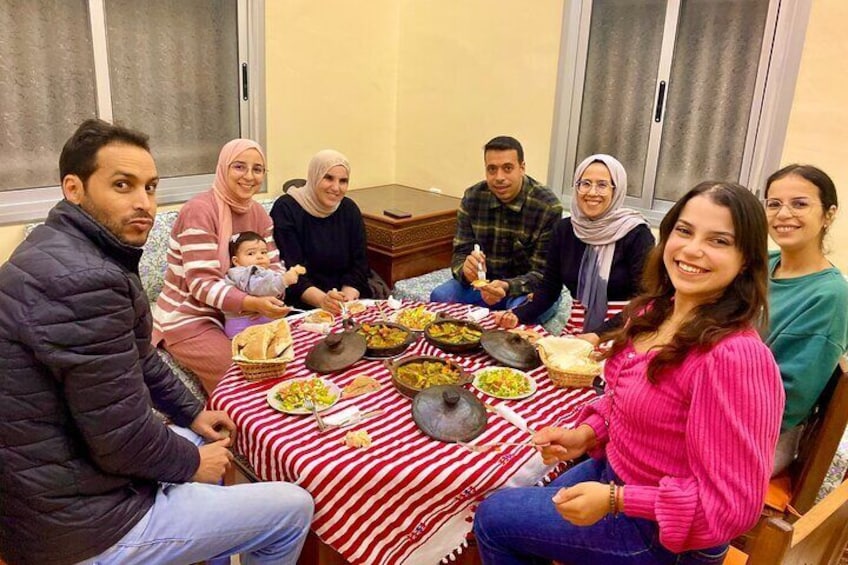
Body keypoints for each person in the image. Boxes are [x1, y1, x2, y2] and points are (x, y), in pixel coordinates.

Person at [0, 119, 313, 565]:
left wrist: (192, 413)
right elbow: (121, 439)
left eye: (149, 187)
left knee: (200, 441)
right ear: (74, 187)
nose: (143, 203)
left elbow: (140, 357)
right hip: (82, 527)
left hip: (59, 486)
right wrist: (190, 464)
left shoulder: (71, 250)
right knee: (293, 507)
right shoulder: (83, 279)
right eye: (123, 185)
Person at [473, 182, 784, 564]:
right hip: (615, 474)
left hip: (664, 534)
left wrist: (618, 500)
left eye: (719, 241)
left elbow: (732, 508)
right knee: (506, 496)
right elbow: (624, 399)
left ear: (747, 261)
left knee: (493, 520)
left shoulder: (735, 358)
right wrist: (586, 434)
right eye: (684, 231)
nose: (691, 250)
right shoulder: (655, 311)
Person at [152, 138, 290, 393]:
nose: (249, 176)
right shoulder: (199, 211)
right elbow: (201, 284)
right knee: (238, 373)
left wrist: (275, 289)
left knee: (284, 359)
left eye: (257, 169)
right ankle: (232, 431)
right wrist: (252, 302)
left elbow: (273, 265)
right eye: (239, 167)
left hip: (243, 313)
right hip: (191, 315)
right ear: (223, 167)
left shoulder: (259, 214)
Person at [494, 154, 654, 341]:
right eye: (585, 183)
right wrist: (517, 315)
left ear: (616, 190)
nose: (592, 192)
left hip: (625, 327)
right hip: (578, 325)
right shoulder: (565, 230)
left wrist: (597, 336)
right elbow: (549, 289)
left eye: (602, 185)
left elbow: (645, 301)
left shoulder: (636, 234)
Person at [762, 164, 848, 475]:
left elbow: (787, 400)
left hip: (761, 437)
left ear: (829, 214)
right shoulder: (762, 265)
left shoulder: (830, 295)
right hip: (711, 402)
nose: (784, 214)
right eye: (774, 204)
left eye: (800, 204)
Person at [430, 136, 563, 318]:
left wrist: (506, 286)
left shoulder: (547, 206)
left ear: (522, 168)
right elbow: (460, 253)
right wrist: (466, 271)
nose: (499, 177)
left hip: (523, 290)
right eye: (492, 169)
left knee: (521, 314)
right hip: (483, 283)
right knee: (439, 297)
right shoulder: (473, 198)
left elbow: (544, 275)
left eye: (507, 168)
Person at [271, 149, 372, 314]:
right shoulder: (286, 209)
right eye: (328, 178)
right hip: (304, 302)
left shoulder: (349, 209)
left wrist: (346, 301)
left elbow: (359, 264)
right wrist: (323, 301)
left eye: (343, 181)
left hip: (347, 298)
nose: (336, 188)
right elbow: (289, 270)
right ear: (314, 176)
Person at [224, 230, 303, 338]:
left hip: (264, 319)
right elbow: (257, 287)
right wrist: (283, 280)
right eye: (251, 253)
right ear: (236, 261)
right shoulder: (240, 273)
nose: (260, 256)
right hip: (243, 324)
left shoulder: (264, 271)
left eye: (263, 252)